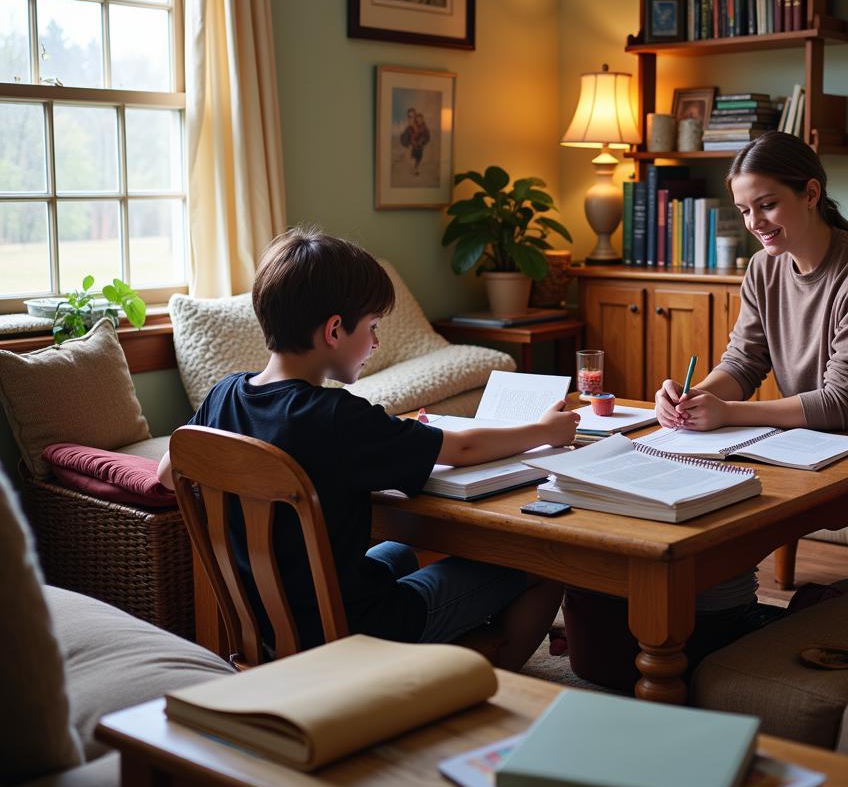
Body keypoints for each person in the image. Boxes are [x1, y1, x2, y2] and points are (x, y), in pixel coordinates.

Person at [158, 227, 576, 668]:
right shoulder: (337, 416)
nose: (375, 343)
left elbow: (169, 472)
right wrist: (544, 431)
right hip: (352, 631)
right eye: (373, 328)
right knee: (542, 568)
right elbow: (463, 449)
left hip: (268, 624)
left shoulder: (224, 394)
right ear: (334, 330)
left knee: (400, 553)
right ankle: (456, 688)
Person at [656, 131, 848, 574]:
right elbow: (743, 362)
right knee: (714, 495)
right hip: (824, 436)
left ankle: (846, 626)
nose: (754, 222)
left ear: (811, 193)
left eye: (767, 204)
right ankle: (724, 619)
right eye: (744, 210)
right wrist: (695, 399)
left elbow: (843, 402)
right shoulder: (763, 267)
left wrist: (728, 413)